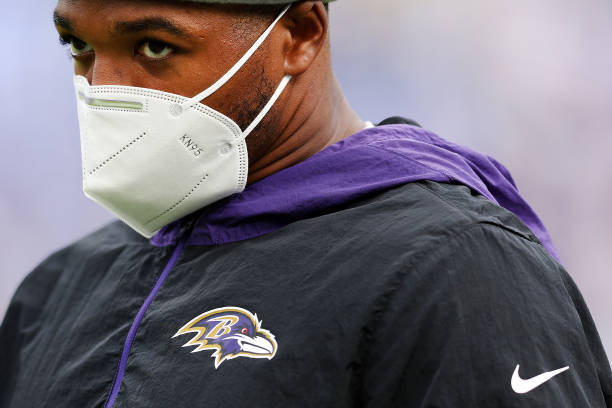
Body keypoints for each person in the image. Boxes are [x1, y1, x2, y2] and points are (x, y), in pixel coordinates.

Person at [1, 0, 610, 406]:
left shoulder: (455, 266)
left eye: (155, 47)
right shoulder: (60, 286)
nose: (103, 90)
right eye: (77, 46)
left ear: (299, 35)